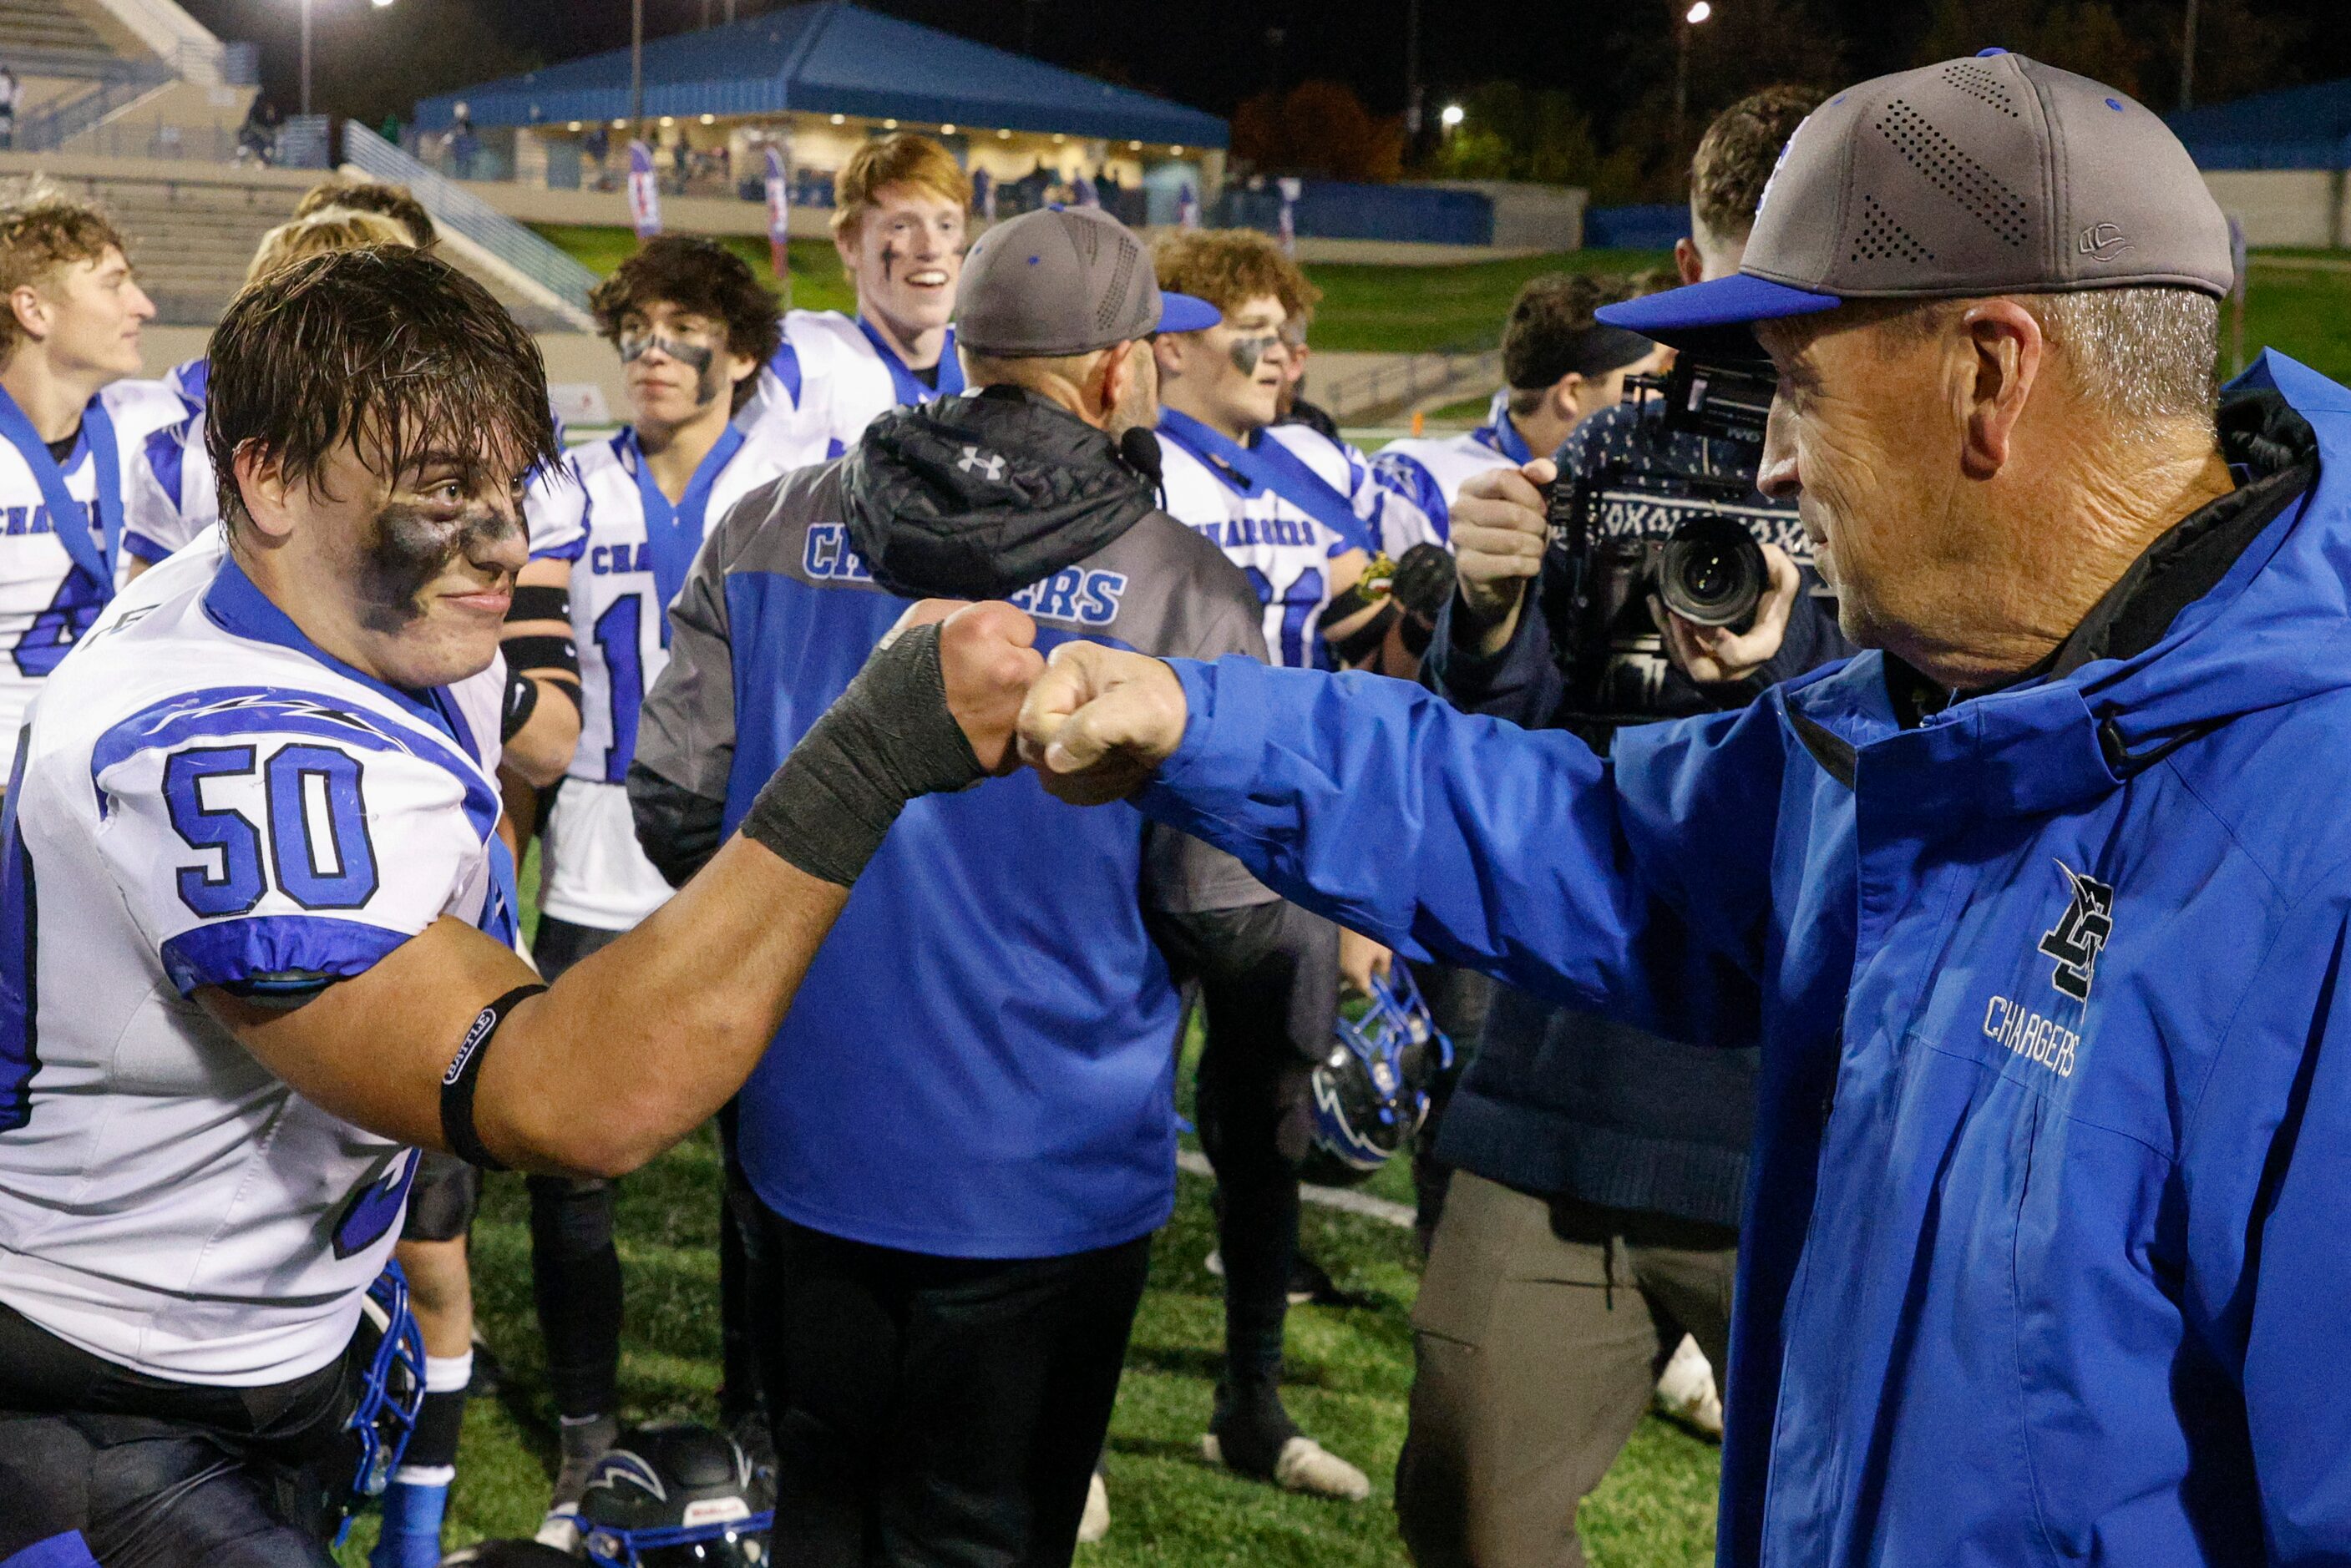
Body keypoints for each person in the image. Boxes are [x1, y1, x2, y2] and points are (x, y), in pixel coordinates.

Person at [1013, 51, 2351, 1564]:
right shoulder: (1926, 720)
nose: (1772, 459)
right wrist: (1200, 713)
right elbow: (1582, 839)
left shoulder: (2313, 847)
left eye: (1796, 384)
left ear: (1992, 373)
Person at [0, 244, 1038, 1567]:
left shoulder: (324, 607)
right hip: (99, 1398)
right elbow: (567, 1102)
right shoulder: (231, 751)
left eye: (511, 486)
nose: (504, 541)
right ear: (265, 476)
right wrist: (866, 756)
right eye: (445, 491)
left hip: (235, 1345)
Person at [621, 203, 1320, 1563]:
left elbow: (678, 798)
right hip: (1051, 1168)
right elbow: (1235, 912)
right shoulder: (1183, 581)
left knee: (816, 1514)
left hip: (802, 1136)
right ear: (1121, 371)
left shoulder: (772, 518)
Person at [1393, 91, 1855, 1568]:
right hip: (1572, 1062)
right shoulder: (1612, 444)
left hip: (1811, 1105)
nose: (1753, 337)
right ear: (1686, 257)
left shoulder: (1919, 458)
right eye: (1733, 284)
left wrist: (1783, 672)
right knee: (1468, 1498)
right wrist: (1489, 613)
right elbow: (1511, 748)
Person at [521, 235, 802, 1545]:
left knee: (770, 1161)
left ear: (739, 353)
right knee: (573, 1159)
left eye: (679, 325)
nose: (647, 347)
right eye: (633, 324)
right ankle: (585, 1428)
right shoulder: (568, 487)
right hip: (593, 842)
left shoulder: (801, 489)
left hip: (754, 853)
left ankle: (757, 1419)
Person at [0, 184, 183, 764]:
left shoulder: (156, 424)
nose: (142, 306)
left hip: (108, 773)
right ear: (34, 309)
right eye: (113, 284)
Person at [1371, 271, 1669, 544]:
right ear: (1571, 393)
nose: (1659, 397)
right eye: (1646, 380)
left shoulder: (1644, 482)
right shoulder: (1418, 483)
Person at [738, 132, 968, 466]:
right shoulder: (806, 363)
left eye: (946, 225)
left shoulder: (997, 371)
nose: (931, 248)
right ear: (849, 243)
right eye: (902, 225)